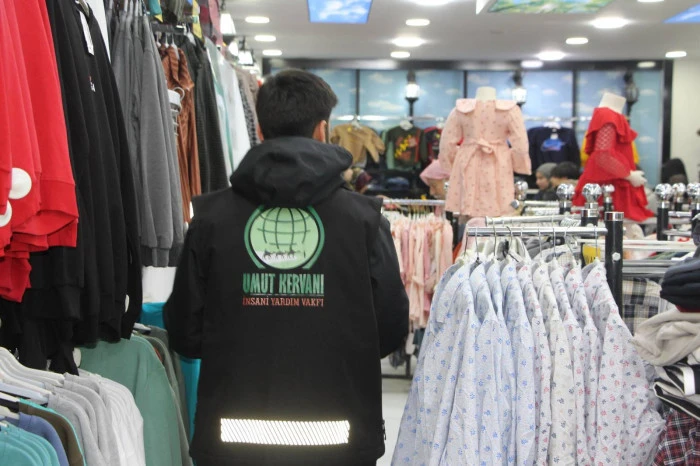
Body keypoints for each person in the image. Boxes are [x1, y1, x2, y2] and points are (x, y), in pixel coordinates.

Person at [164, 70, 409, 466]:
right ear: (322, 129)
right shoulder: (364, 220)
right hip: (339, 437)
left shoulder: (210, 218)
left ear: (261, 129)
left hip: (233, 439)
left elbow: (185, 333)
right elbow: (392, 327)